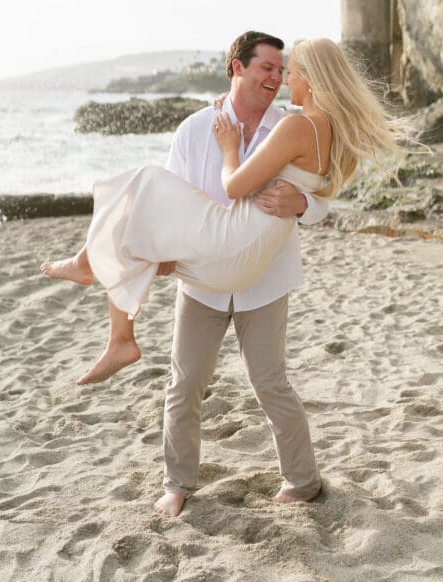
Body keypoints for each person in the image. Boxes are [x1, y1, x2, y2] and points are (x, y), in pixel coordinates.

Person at [42, 34, 406, 516]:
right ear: (238, 68)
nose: (279, 79)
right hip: (206, 273)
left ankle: (302, 478)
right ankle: (177, 483)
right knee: (185, 382)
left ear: (308, 78)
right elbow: (177, 196)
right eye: (270, 69)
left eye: (286, 71)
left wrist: (301, 204)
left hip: (261, 275)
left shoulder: (290, 124)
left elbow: (312, 201)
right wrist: (164, 250)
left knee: (270, 383)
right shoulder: (196, 128)